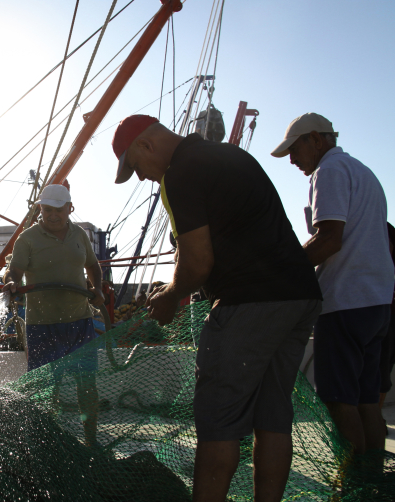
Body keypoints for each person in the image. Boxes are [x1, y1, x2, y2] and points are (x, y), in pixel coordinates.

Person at [113, 114, 322, 502]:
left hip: (250, 302)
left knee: (218, 423)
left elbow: (197, 263)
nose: (142, 177)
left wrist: (170, 296)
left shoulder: (179, 175)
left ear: (145, 145)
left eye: (136, 168)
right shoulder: (231, 155)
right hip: (300, 295)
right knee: (273, 418)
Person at [272, 113, 394, 456]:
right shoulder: (364, 172)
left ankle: (352, 483)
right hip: (378, 304)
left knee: (339, 401)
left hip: (346, 303)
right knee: (368, 401)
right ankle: (371, 481)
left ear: (316, 139)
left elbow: (329, 240)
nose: (293, 160)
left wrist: (281, 271)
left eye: (295, 150)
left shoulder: (329, 171)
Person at [4, 184, 105, 446]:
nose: (52, 215)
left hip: (80, 323)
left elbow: (93, 266)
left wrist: (97, 290)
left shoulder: (80, 235)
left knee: (87, 385)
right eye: (47, 209)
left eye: (58, 210)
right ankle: (43, 443)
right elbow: (13, 271)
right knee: (43, 389)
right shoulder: (27, 238)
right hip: (42, 326)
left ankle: (91, 442)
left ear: (69, 209)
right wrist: (11, 282)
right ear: (40, 209)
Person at [380, 223, 395, 418]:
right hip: (384, 310)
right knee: (382, 372)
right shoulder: (387, 229)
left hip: (385, 310)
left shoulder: (388, 230)